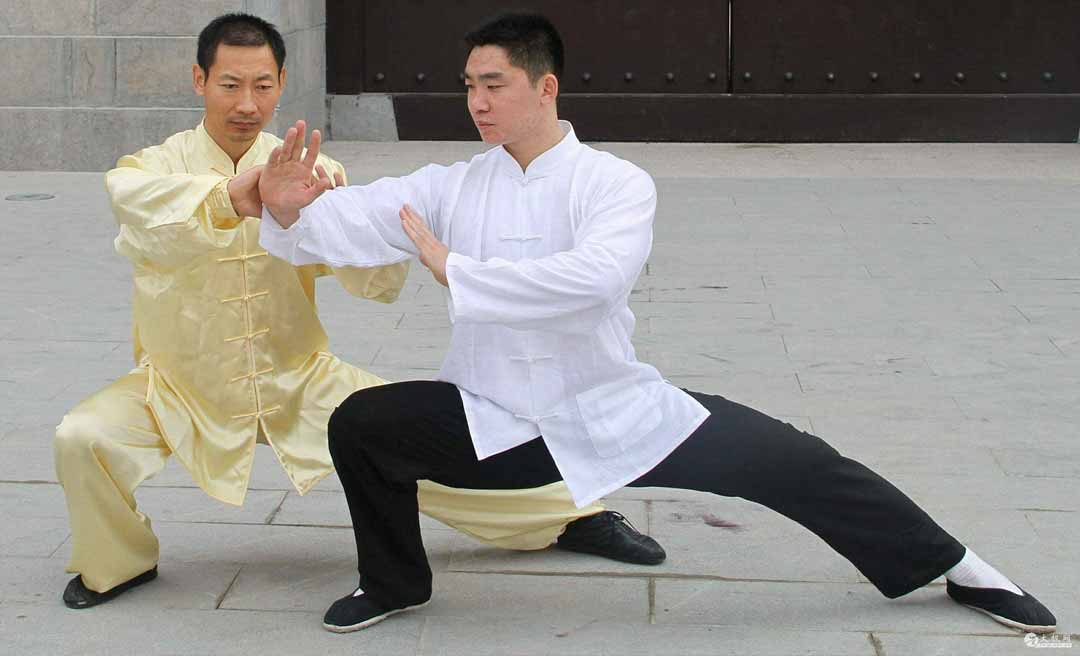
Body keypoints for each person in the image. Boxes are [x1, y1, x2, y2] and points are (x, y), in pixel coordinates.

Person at [255, 12, 1058, 636]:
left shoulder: (616, 183)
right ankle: (393, 581)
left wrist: (456, 271)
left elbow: (593, 281)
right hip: (491, 414)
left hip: (613, 409)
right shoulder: (454, 185)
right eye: (469, 85)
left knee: (798, 463)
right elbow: (357, 217)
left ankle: (959, 565)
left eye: (494, 84)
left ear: (546, 87)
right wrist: (291, 212)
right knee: (364, 423)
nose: (478, 102)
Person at [52, 12, 665, 612]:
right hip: (177, 386)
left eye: (262, 86)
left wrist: (323, 211)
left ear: (281, 86)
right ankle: (118, 561)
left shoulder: (310, 169)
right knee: (82, 438)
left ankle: (570, 517)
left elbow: (365, 271)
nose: (246, 103)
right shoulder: (151, 169)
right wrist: (235, 197)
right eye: (230, 84)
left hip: (297, 378)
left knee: (410, 451)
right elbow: (140, 216)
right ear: (199, 81)